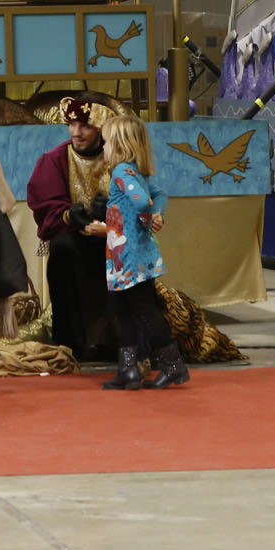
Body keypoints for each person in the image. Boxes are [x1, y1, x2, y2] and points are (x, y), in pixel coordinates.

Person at [97, 116, 188, 390]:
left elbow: (140, 200)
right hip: (127, 255)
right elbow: (159, 195)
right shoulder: (138, 172)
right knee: (122, 309)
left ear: (120, 145)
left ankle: (173, 365)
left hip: (128, 256)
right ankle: (128, 369)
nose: (103, 148)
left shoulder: (122, 173)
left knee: (143, 311)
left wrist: (149, 217)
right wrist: (156, 214)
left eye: (105, 143)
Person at [27, 96, 120, 360]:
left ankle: (118, 340)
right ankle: (69, 342)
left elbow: (140, 202)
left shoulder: (117, 157)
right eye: (71, 124)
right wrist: (68, 215)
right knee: (62, 248)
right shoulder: (55, 159)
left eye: (85, 126)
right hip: (73, 239)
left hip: (113, 238)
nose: (76, 132)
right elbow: (44, 206)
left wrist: (113, 211)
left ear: (101, 128)